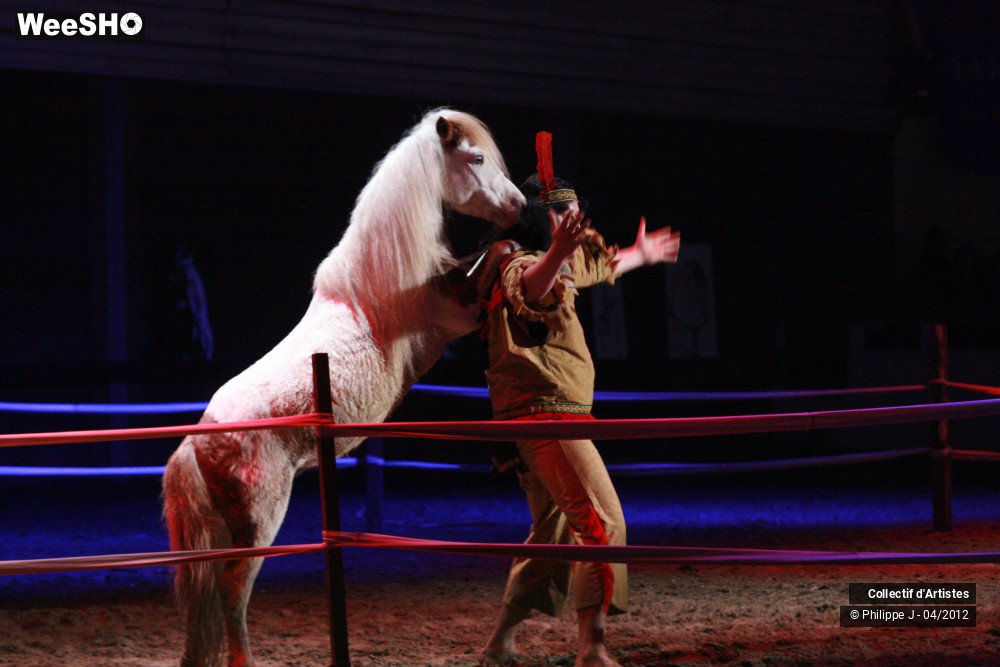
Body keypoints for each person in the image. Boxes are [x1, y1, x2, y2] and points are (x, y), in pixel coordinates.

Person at [477, 133, 681, 667]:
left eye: (576, 215)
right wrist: (561, 251)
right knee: (602, 521)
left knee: (553, 531)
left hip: (540, 419)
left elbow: (594, 267)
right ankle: (591, 650)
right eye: (563, 216)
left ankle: (499, 644)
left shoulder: (557, 260)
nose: (576, 223)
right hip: (545, 418)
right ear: (539, 221)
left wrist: (642, 254)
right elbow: (537, 290)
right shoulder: (518, 264)